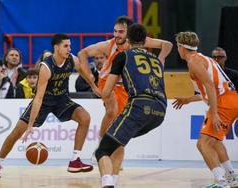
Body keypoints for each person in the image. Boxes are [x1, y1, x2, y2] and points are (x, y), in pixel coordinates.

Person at [0, 34, 101, 178]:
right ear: (56, 47)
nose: (69, 49)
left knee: (85, 118)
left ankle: (75, 160)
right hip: (44, 101)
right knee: (17, 132)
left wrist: (94, 86)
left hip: (62, 100)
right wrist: (30, 126)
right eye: (66, 46)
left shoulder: (72, 59)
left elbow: (83, 72)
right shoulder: (46, 67)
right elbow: (39, 98)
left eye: (70, 45)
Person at [78, 16, 172, 177]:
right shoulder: (109, 45)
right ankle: (101, 143)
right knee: (112, 109)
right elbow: (82, 53)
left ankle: (112, 160)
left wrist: (162, 57)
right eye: (115, 31)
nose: (117, 35)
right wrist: (91, 81)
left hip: (126, 86)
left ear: (129, 33)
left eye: (121, 31)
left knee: (121, 124)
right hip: (108, 81)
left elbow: (167, 44)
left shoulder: (139, 41)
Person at [173, 31, 238, 188]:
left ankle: (221, 182)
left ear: (181, 47)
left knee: (203, 144)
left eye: (177, 46)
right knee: (215, 142)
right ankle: (232, 178)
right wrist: (187, 100)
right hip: (231, 99)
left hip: (224, 102)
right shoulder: (202, 58)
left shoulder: (193, 62)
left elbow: (209, 86)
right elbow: (208, 89)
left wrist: (214, 113)